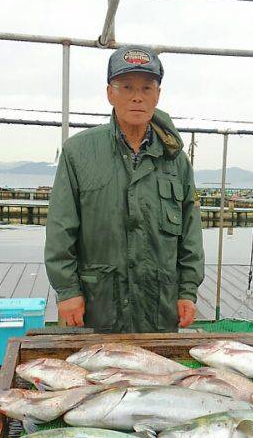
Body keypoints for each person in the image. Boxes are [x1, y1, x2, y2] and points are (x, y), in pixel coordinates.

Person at [44, 45, 205, 333]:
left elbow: (190, 233)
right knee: (94, 375)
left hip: (159, 307)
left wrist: (187, 290)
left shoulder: (176, 160)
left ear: (157, 95)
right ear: (110, 93)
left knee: (158, 376)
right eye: (126, 86)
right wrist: (68, 291)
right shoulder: (78, 152)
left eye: (146, 87)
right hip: (96, 308)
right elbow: (60, 228)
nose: (137, 96)